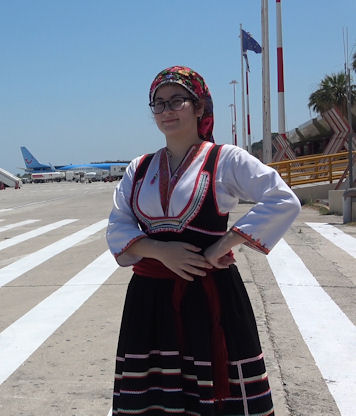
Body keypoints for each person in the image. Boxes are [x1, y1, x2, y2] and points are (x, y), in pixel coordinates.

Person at [106, 66, 300, 415]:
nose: (167, 111)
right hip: (149, 300)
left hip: (209, 294)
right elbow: (118, 224)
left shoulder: (225, 159)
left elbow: (282, 199)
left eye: (177, 101)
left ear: (199, 108)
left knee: (214, 394)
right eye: (159, 104)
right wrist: (159, 251)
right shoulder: (139, 167)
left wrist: (222, 246)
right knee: (154, 397)